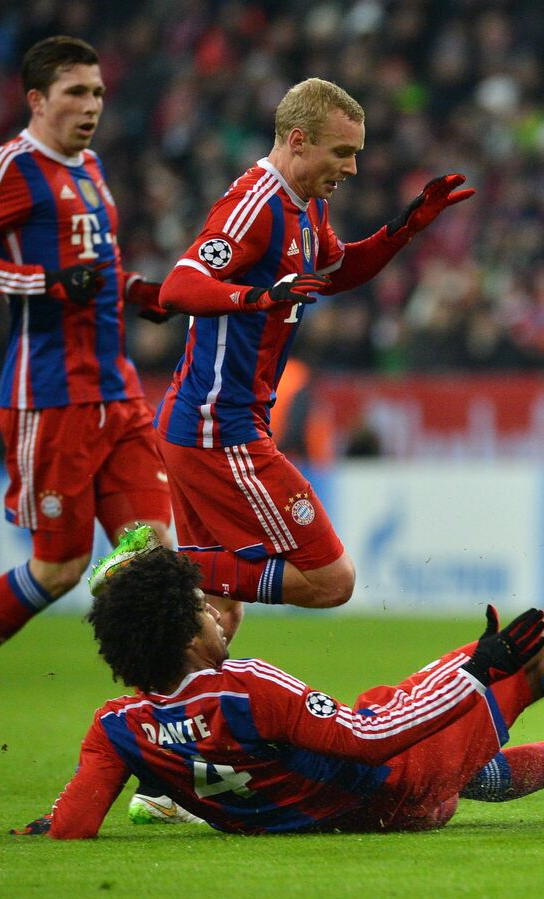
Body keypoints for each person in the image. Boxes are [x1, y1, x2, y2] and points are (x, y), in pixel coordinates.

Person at [17, 538, 544, 838]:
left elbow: (71, 828)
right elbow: (371, 738)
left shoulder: (117, 727)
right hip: (396, 779)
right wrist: (475, 669)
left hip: (375, 817)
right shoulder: (244, 687)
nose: (219, 615)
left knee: (452, 748)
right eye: (203, 609)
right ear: (186, 637)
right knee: (535, 649)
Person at [150, 78, 473, 640]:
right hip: (217, 429)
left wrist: (405, 229)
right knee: (330, 579)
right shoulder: (254, 207)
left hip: (208, 423)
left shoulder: (308, 204)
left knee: (214, 620)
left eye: (356, 154)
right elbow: (178, 287)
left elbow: (336, 270)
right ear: (298, 140)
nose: (350, 168)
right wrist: (258, 296)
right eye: (342, 152)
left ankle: (173, 717)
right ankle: (150, 568)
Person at [0, 35, 177, 657]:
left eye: (97, 91)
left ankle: (158, 701)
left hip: (116, 389)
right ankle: (99, 591)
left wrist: (137, 291)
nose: (91, 105)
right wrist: (42, 283)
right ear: (38, 100)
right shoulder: (15, 167)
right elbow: (53, 275)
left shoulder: (91, 168)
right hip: (51, 394)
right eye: (75, 92)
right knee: (58, 569)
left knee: (153, 552)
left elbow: (92, 268)